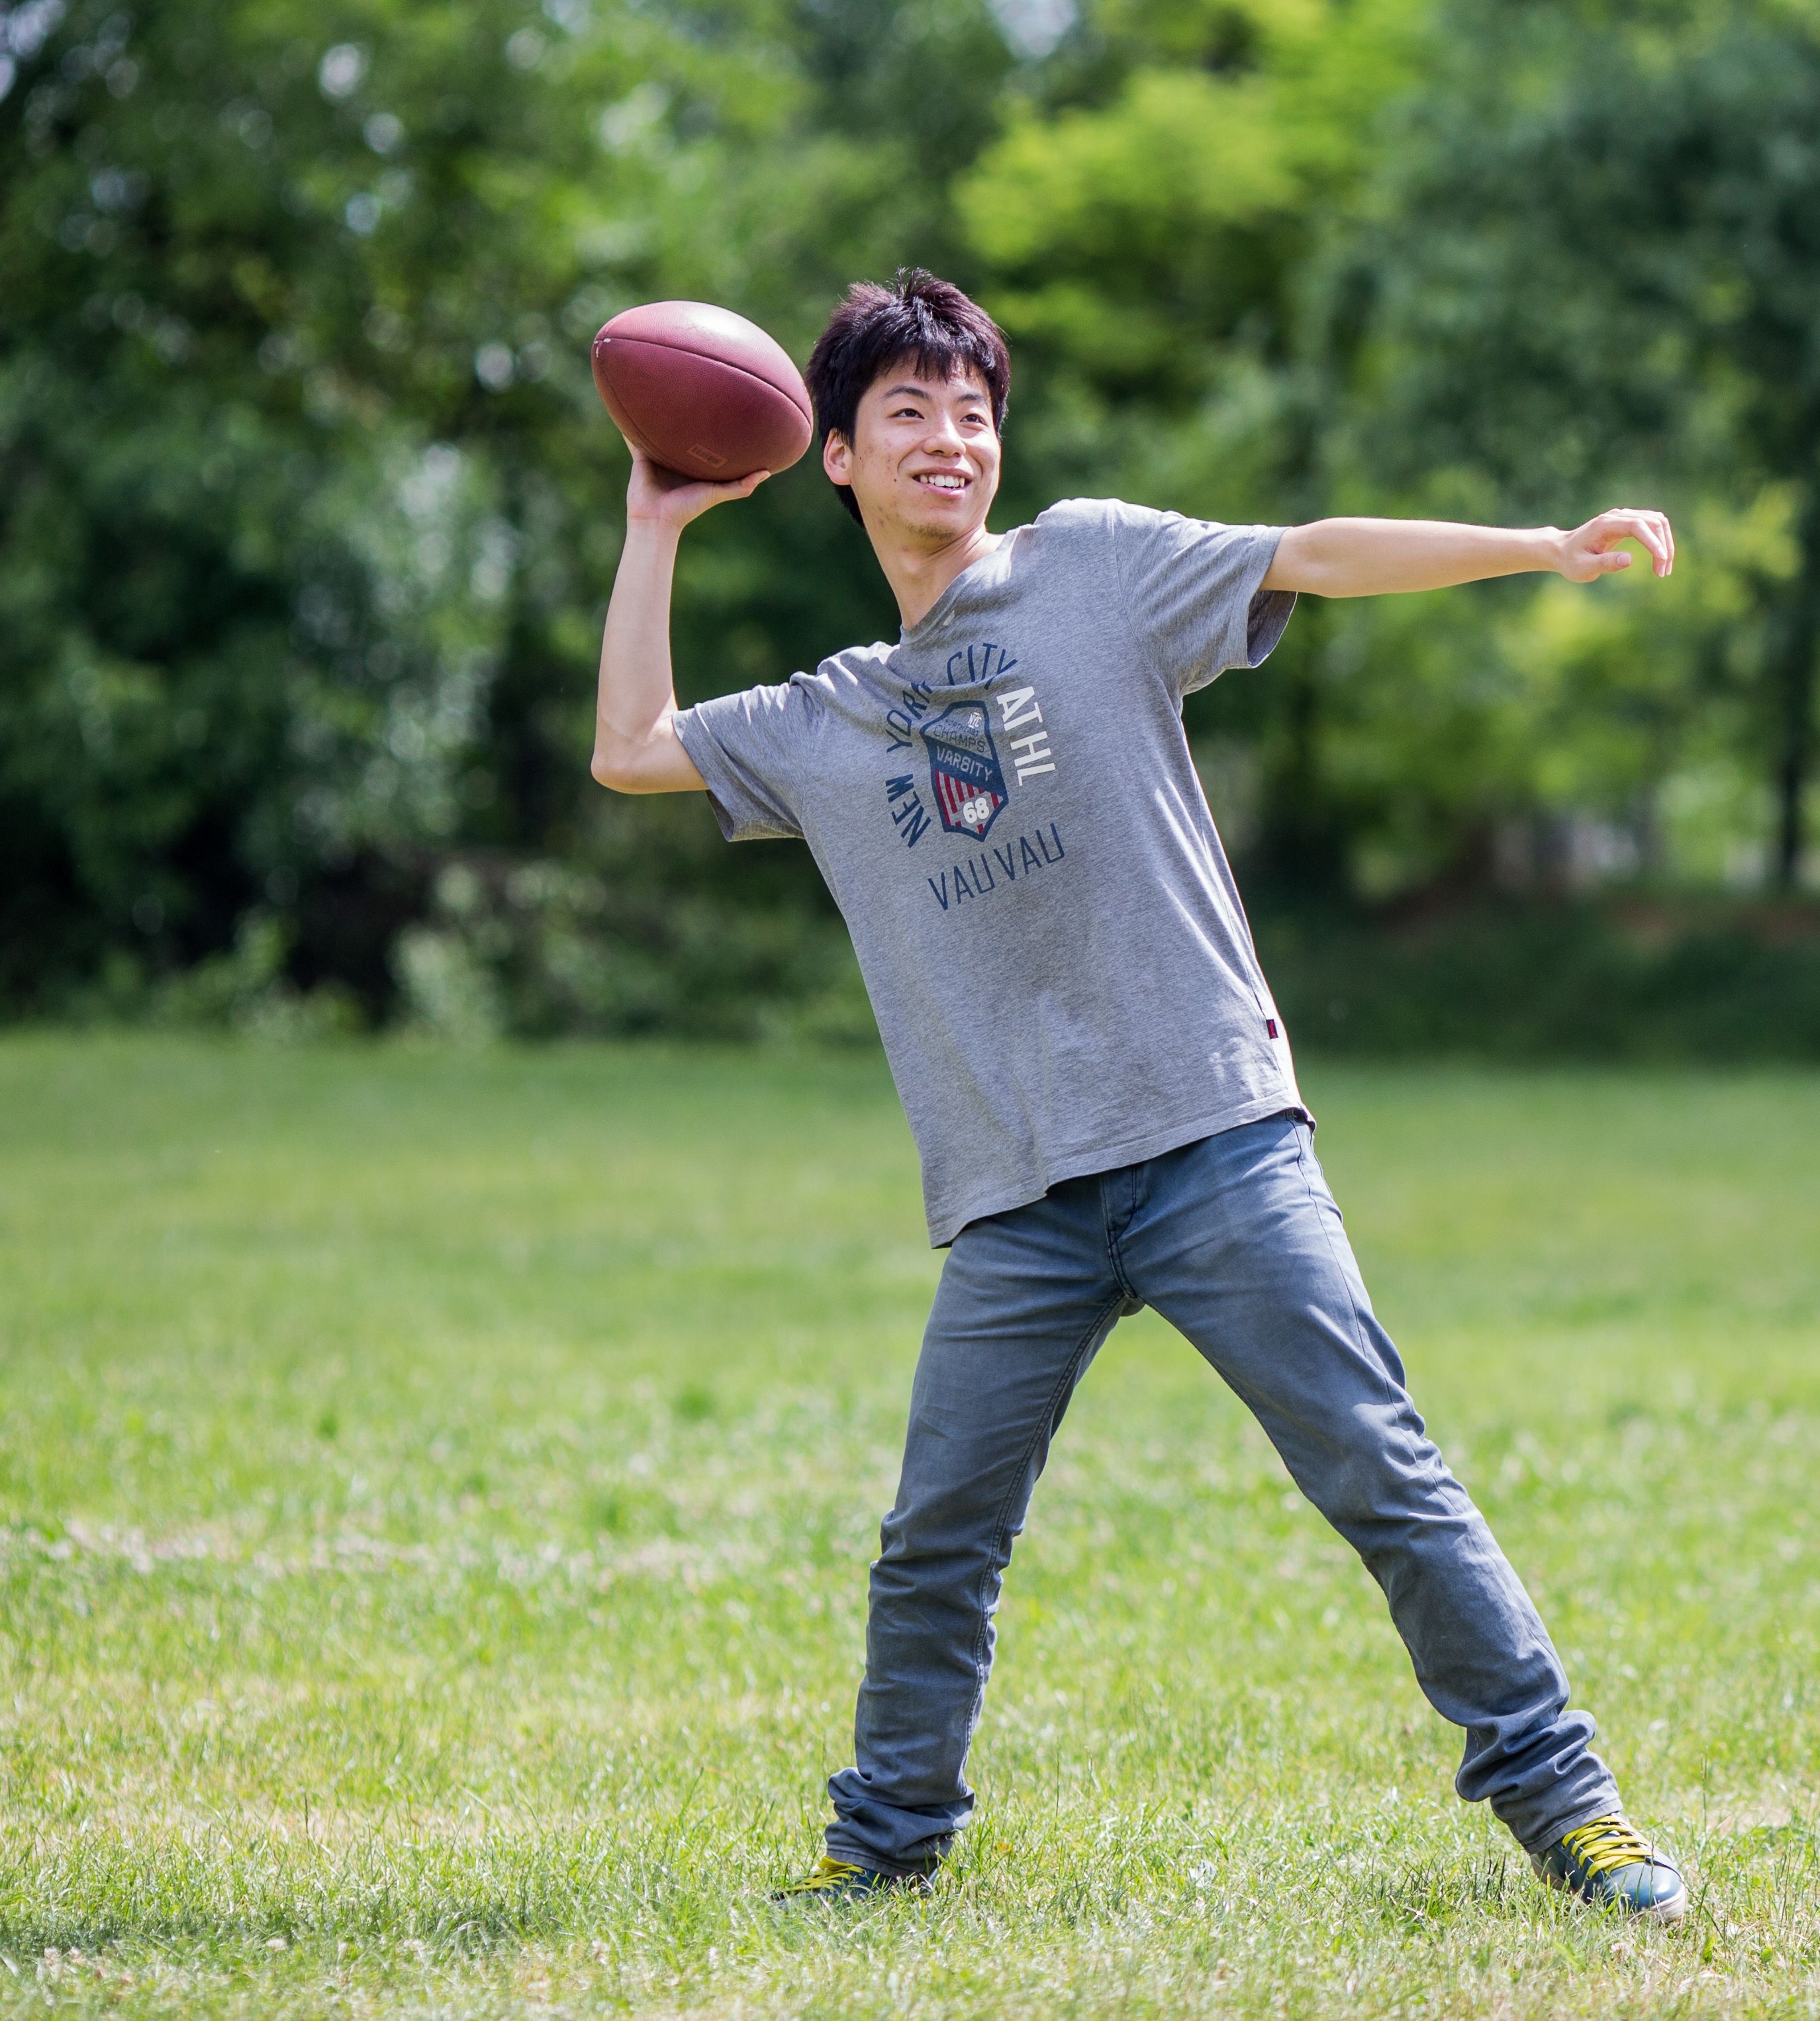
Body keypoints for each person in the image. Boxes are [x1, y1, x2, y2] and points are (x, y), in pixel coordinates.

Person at [588, 269, 1685, 1920]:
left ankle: (1572, 1808)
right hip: (1019, 1198)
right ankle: (882, 1851)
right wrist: (657, 517)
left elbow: (1307, 551)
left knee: (1381, 1475)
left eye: (974, 414)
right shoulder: (834, 715)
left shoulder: (1092, 569)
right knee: (934, 1542)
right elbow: (630, 746)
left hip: (1211, 1141)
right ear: (831, 456)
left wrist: (1538, 547)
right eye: (907, 414)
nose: (950, 442)